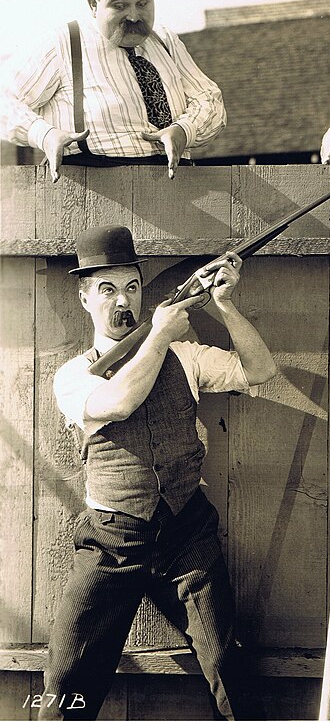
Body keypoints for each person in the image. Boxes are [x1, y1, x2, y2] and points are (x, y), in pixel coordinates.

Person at [40, 224, 277, 720]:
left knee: (229, 668)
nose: (122, 301)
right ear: (85, 298)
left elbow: (260, 370)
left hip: (186, 535)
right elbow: (120, 402)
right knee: (66, 682)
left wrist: (224, 306)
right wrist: (160, 334)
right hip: (112, 541)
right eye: (107, 289)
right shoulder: (73, 375)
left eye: (131, 286)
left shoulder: (185, 356)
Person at [0, 0, 226, 181]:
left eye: (142, 2)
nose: (133, 16)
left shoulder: (165, 41)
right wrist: (43, 134)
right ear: (93, 4)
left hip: (173, 186)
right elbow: (5, 99)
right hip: (93, 187)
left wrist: (184, 130)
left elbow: (209, 99)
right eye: (119, 5)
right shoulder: (63, 43)